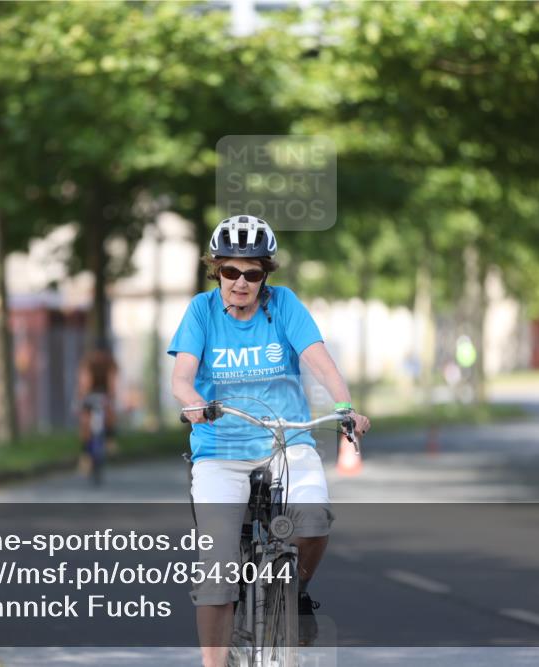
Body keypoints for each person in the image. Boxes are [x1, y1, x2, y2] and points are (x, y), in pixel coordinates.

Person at [168, 215, 370, 667]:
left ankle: (295, 592)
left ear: (266, 275)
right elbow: (182, 376)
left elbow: (319, 360)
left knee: (314, 520)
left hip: (286, 441)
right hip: (220, 448)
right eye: (231, 271)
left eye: (253, 273)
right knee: (218, 570)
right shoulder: (201, 311)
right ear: (216, 269)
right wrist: (194, 402)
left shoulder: (284, 306)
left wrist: (344, 407)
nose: (241, 282)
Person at [76, 339, 118, 475]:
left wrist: (111, 397)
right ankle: (85, 453)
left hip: (104, 394)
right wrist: (84, 397)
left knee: (110, 412)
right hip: (90, 394)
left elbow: (112, 382)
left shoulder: (110, 363)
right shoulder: (88, 363)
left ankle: (110, 437)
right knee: (85, 422)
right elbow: (84, 382)